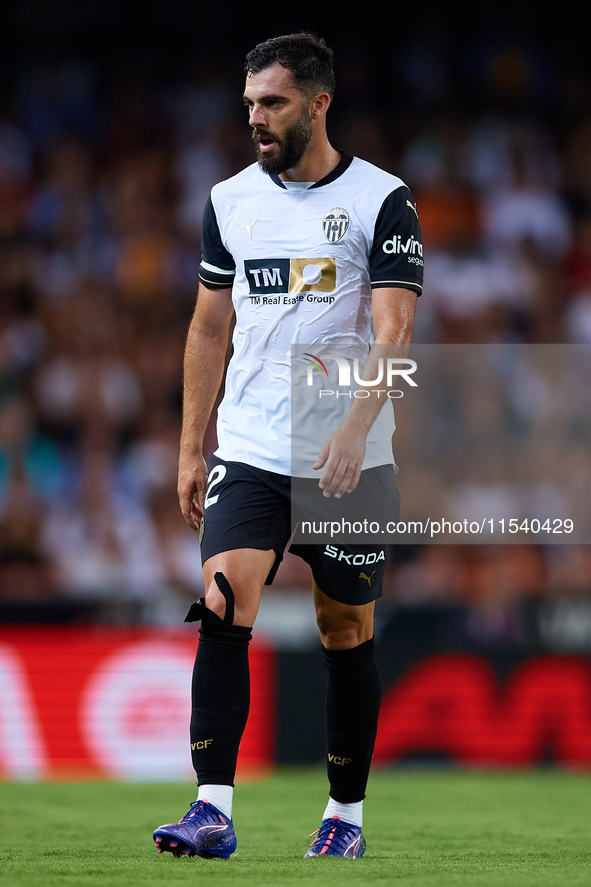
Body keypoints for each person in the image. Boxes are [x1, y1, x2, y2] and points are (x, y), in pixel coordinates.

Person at [153, 32, 422, 860]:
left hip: (350, 455)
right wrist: (192, 443)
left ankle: (344, 816)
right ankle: (210, 809)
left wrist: (350, 427)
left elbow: (395, 330)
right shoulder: (230, 200)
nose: (255, 120)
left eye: (270, 104)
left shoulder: (383, 200)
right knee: (224, 602)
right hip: (254, 445)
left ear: (317, 103)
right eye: (248, 106)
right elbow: (207, 326)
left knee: (344, 628)